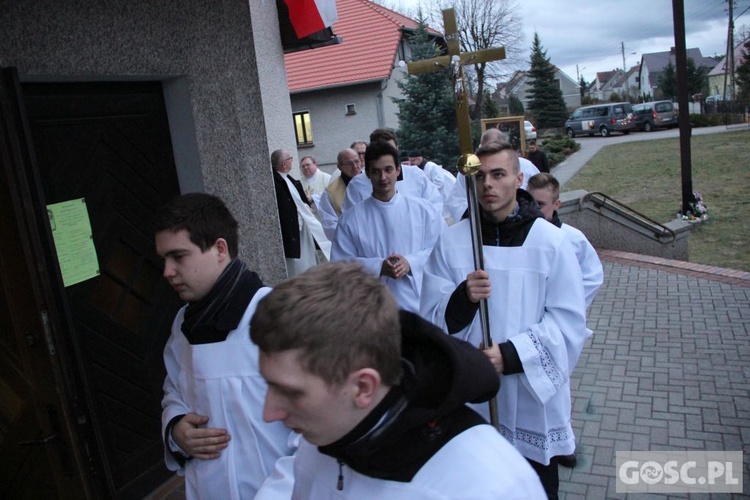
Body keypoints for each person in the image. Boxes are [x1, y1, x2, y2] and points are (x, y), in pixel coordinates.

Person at [251, 262, 546, 499]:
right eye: (269, 384)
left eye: (290, 392)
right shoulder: (324, 434)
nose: (268, 413)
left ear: (363, 387)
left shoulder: (492, 486)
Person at [420, 142, 588, 499]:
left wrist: (510, 356)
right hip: (472, 398)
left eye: (498, 175)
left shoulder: (551, 242)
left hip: (530, 396)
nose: (488, 186)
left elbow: (568, 323)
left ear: (518, 178)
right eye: (479, 177)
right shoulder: (451, 243)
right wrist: (462, 299)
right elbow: (429, 318)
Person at [155, 193, 293, 499]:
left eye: (178, 256)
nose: (167, 271)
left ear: (220, 249)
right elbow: (174, 390)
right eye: (164, 259)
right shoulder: (183, 323)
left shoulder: (275, 317)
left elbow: (313, 430)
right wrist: (176, 429)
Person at [526, 172, 603, 470]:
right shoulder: (526, 235)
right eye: (530, 204)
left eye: (541, 204)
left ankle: (562, 443)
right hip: (533, 325)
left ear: (556, 204)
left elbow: (593, 275)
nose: (536, 210)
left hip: (560, 325)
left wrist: (569, 307)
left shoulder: (572, 238)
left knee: (558, 385)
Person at [331, 140, 443, 313]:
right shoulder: (350, 220)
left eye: (388, 170)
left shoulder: (423, 211)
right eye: (376, 171)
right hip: (371, 310)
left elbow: (441, 252)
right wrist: (378, 266)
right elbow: (339, 266)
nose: (383, 178)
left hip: (419, 306)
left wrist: (411, 262)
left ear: (398, 170)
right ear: (367, 173)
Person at [444, 129, 539, 223]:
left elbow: (541, 192)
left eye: (498, 175)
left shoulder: (527, 166)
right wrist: (474, 216)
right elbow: (456, 201)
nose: (487, 183)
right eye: (480, 176)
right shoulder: (470, 169)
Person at [343, 129, 442, 213]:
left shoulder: (415, 175)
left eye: (390, 150)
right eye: (380, 151)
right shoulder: (357, 184)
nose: (383, 177)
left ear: (397, 149)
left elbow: (434, 205)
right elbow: (350, 217)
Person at [271, 149, 330, 277]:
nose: (292, 161)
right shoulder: (276, 182)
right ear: (284, 164)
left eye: (307, 165)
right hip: (295, 231)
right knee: (299, 266)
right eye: (290, 159)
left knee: (311, 261)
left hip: (305, 227)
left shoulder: (291, 180)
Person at [318, 148, 362, 240]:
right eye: (349, 164)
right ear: (339, 167)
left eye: (357, 161)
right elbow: (330, 226)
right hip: (350, 242)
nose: (355, 166)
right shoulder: (330, 193)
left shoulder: (372, 182)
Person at [408, 149, 456, 221]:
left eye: (413, 161)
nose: (411, 164)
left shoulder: (431, 166)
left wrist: (427, 191)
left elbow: (440, 182)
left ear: (418, 158)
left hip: (446, 195)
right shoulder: (421, 169)